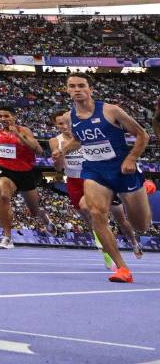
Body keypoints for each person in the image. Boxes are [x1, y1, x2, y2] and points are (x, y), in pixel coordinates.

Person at [57, 74, 152, 283]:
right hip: (95, 170)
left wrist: (131, 158)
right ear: (67, 90)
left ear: (90, 89)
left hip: (122, 170)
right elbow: (78, 140)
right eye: (72, 86)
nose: (77, 89)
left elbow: (142, 135)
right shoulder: (69, 116)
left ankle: (143, 186)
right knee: (95, 213)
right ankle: (122, 269)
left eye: (81, 85)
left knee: (141, 225)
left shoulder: (111, 110)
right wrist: (62, 150)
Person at [50, 110, 141, 269]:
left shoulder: (86, 134)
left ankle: (133, 241)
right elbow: (58, 168)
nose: (65, 126)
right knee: (90, 217)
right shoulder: (55, 141)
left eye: (67, 123)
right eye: (60, 124)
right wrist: (59, 156)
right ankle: (106, 251)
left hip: (94, 178)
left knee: (121, 219)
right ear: (56, 125)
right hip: (73, 182)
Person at [0, 104, 53, 248]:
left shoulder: (24, 130)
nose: (3, 119)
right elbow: (3, 152)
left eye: (6, 116)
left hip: (25, 172)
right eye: (0, 116)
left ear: (14, 117)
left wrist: (18, 135)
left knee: (34, 211)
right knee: (4, 196)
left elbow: (39, 151)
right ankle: (7, 237)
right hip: (5, 170)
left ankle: (45, 218)